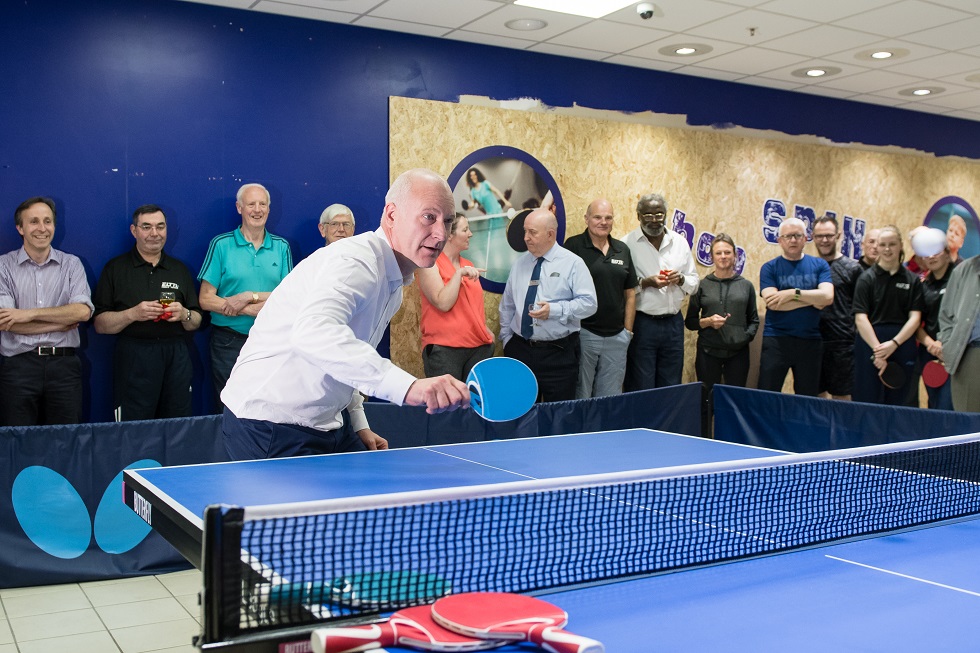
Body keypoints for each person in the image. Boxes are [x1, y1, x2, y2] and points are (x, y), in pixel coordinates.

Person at [221, 169, 470, 460]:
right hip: (269, 423)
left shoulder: (394, 283)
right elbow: (313, 333)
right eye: (429, 217)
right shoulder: (356, 260)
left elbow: (347, 355)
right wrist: (409, 387)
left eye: (448, 221)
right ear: (391, 216)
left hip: (325, 425)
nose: (441, 233)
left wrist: (359, 421)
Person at [93, 205, 203, 421]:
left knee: (177, 425)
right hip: (134, 356)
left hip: (176, 356)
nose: (155, 233)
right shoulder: (115, 268)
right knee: (134, 429)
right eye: (147, 227)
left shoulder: (179, 269)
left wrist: (184, 315)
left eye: (160, 226)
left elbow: (197, 321)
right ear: (134, 231)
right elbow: (100, 324)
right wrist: (132, 314)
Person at [198, 183, 293, 411]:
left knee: (269, 407)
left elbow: (289, 295)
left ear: (269, 209)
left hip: (271, 341)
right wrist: (247, 309)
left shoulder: (281, 247)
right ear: (239, 208)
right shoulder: (221, 245)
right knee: (229, 407)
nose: (257, 209)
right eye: (251, 204)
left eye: (263, 204)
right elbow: (206, 299)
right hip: (228, 342)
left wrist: (247, 296)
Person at [0, 197, 93, 426]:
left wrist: (28, 314)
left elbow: (82, 312)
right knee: (18, 440)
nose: (42, 228)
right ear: (20, 228)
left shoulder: (72, 264)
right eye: (33, 222)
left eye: (47, 221)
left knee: (66, 440)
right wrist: (60, 323)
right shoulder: (3, 266)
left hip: (64, 368)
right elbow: (6, 321)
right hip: (18, 367)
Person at [499, 208, 597, 402]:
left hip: (558, 355)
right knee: (522, 411)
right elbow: (507, 305)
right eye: (525, 231)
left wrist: (555, 310)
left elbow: (589, 304)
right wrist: (506, 339)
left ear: (550, 234)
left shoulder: (573, 264)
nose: (526, 237)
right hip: (521, 350)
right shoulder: (520, 265)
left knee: (558, 416)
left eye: (532, 232)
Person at [624, 193, 698, 390]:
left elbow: (694, 282)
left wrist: (680, 279)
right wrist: (646, 283)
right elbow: (622, 286)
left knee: (671, 384)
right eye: (648, 215)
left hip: (674, 323)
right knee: (642, 383)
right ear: (638, 215)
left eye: (659, 214)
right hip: (643, 324)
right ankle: (642, 422)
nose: (655, 220)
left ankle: (665, 423)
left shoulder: (680, 242)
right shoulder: (627, 244)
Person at [684, 234, 758, 431]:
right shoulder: (701, 285)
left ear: (735, 256)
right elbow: (690, 322)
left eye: (728, 252)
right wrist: (708, 322)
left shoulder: (746, 286)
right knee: (706, 401)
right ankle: (705, 439)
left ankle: (733, 439)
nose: (723, 256)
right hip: (708, 353)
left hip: (738, 355)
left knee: (735, 401)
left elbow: (754, 320)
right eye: (719, 253)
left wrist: (744, 337)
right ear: (712, 257)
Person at [563, 198, 636, 398]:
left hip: (617, 337)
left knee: (611, 397)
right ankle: (582, 430)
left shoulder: (622, 249)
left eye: (608, 218)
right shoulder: (573, 246)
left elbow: (630, 292)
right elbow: (562, 291)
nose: (603, 222)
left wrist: (627, 331)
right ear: (586, 219)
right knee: (581, 394)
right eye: (597, 217)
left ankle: (606, 430)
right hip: (584, 334)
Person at [757, 217, 834, 396]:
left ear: (806, 238)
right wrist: (813, 299)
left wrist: (792, 294)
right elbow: (773, 303)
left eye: (797, 235)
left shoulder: (819, 265)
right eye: (788, 236)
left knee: (807, 397)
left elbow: (828, 297)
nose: (793, 240)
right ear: (779, 240)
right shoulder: (769, 268)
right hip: (776, 339)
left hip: (810, 340)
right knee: (767, 394)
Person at [852, 225, 924, 406]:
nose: (886, 249)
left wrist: (894, 344)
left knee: (900, 402)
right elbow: (861, 318)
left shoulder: (912, 280)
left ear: (900, 245)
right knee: (866, 401)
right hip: (870, 344)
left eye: (892, 244)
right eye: (882, 244)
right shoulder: (866, 279)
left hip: (901, 343)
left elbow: (915, 318)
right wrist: (878, 351)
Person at [416, 213, 494, 380]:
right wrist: (458, 275)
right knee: (448, 404)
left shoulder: (469, 264)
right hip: (446, 350)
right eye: (465, 229)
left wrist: (484, 329)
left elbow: (471, 305)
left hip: (478, 348)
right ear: (449, 235)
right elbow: (443, 303)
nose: (470, 234)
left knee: (475, 404)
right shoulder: (430, 264)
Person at [812, 215, 863, 401]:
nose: (824, 240)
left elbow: (861, 309)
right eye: (819, 236)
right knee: (815, 397)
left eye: (829, 235)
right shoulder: (810, 267)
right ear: (813, 237)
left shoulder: (853, 268)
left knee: (841, 398)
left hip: (842, 343)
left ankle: (842, 432)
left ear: (838, 235)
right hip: (813, 341)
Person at [913, 228, 957, 410]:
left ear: (947, 253)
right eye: (927, 253)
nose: (931, 256)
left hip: (955, 352)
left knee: (951, 405)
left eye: (936, 251)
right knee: (934, 403)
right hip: (930, 352)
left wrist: (945, 345)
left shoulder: (960, 280)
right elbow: (916, 322)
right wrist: (931, 344)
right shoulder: (922, 286)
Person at [937, 249, 980, 413]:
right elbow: (945, 315)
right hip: (969, 354)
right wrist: (949, 345)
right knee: (969, 422)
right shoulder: (963, 270)